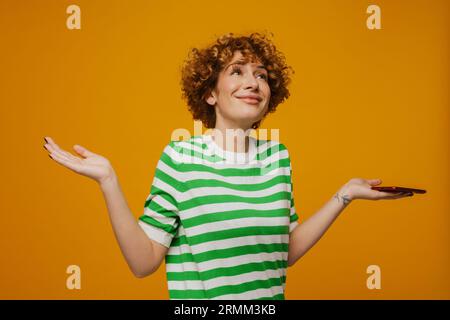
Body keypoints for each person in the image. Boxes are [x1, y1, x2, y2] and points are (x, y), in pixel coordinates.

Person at [43, 32, 413, 300]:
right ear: (210, 93)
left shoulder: (277, 158)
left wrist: (343, 195)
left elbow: (280, 253)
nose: (253, 82)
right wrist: (109, 181)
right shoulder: (181, 159)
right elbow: (144, 264)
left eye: (262, 75)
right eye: (237, 72)